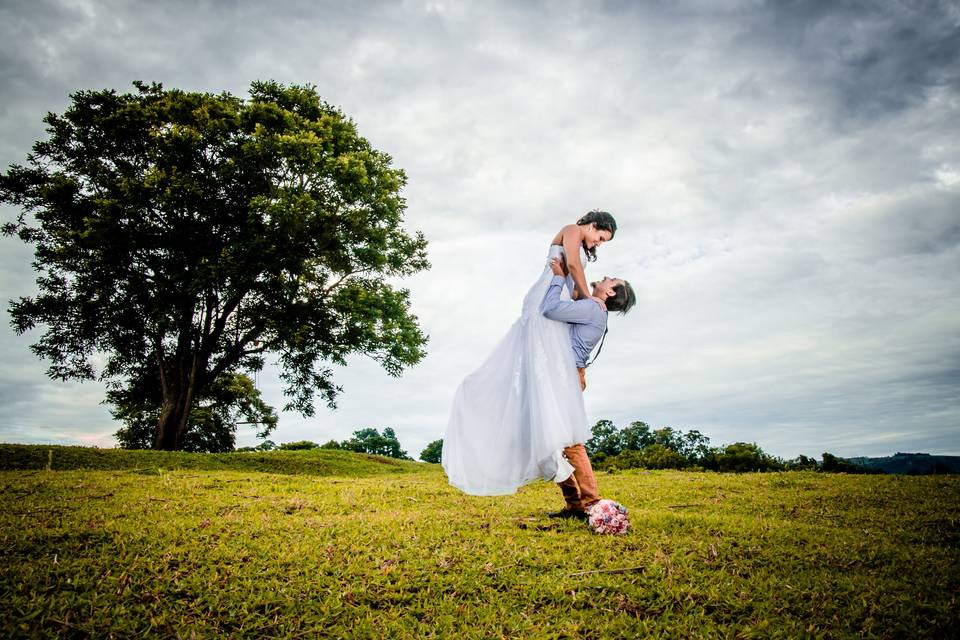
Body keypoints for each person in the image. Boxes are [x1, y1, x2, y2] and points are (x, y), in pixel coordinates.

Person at [441, 210, 617, 496]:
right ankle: (578, 491)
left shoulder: (584, 258)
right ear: (593, 224)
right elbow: (572, 263)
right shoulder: (572, 229)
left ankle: (575, 491)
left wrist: (582, 297)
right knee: (546, 386)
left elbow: (573, 282)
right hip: (544, 304)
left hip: (555, 304)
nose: (598, 244)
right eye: (600, 237)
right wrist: (588, 299)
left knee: (549, 397)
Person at [539, 256, 636, 520]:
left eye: (611, 279)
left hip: (565, 376)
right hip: (564, 375)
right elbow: (573, 295)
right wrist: (569, 273)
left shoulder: (594, 309)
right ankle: (575, 505)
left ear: (610, 291)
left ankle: (591, 503)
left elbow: (549, 309)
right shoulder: (591, 307)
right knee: (550, 440)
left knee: (569, 441)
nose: (606, 276)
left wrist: (559, 275)